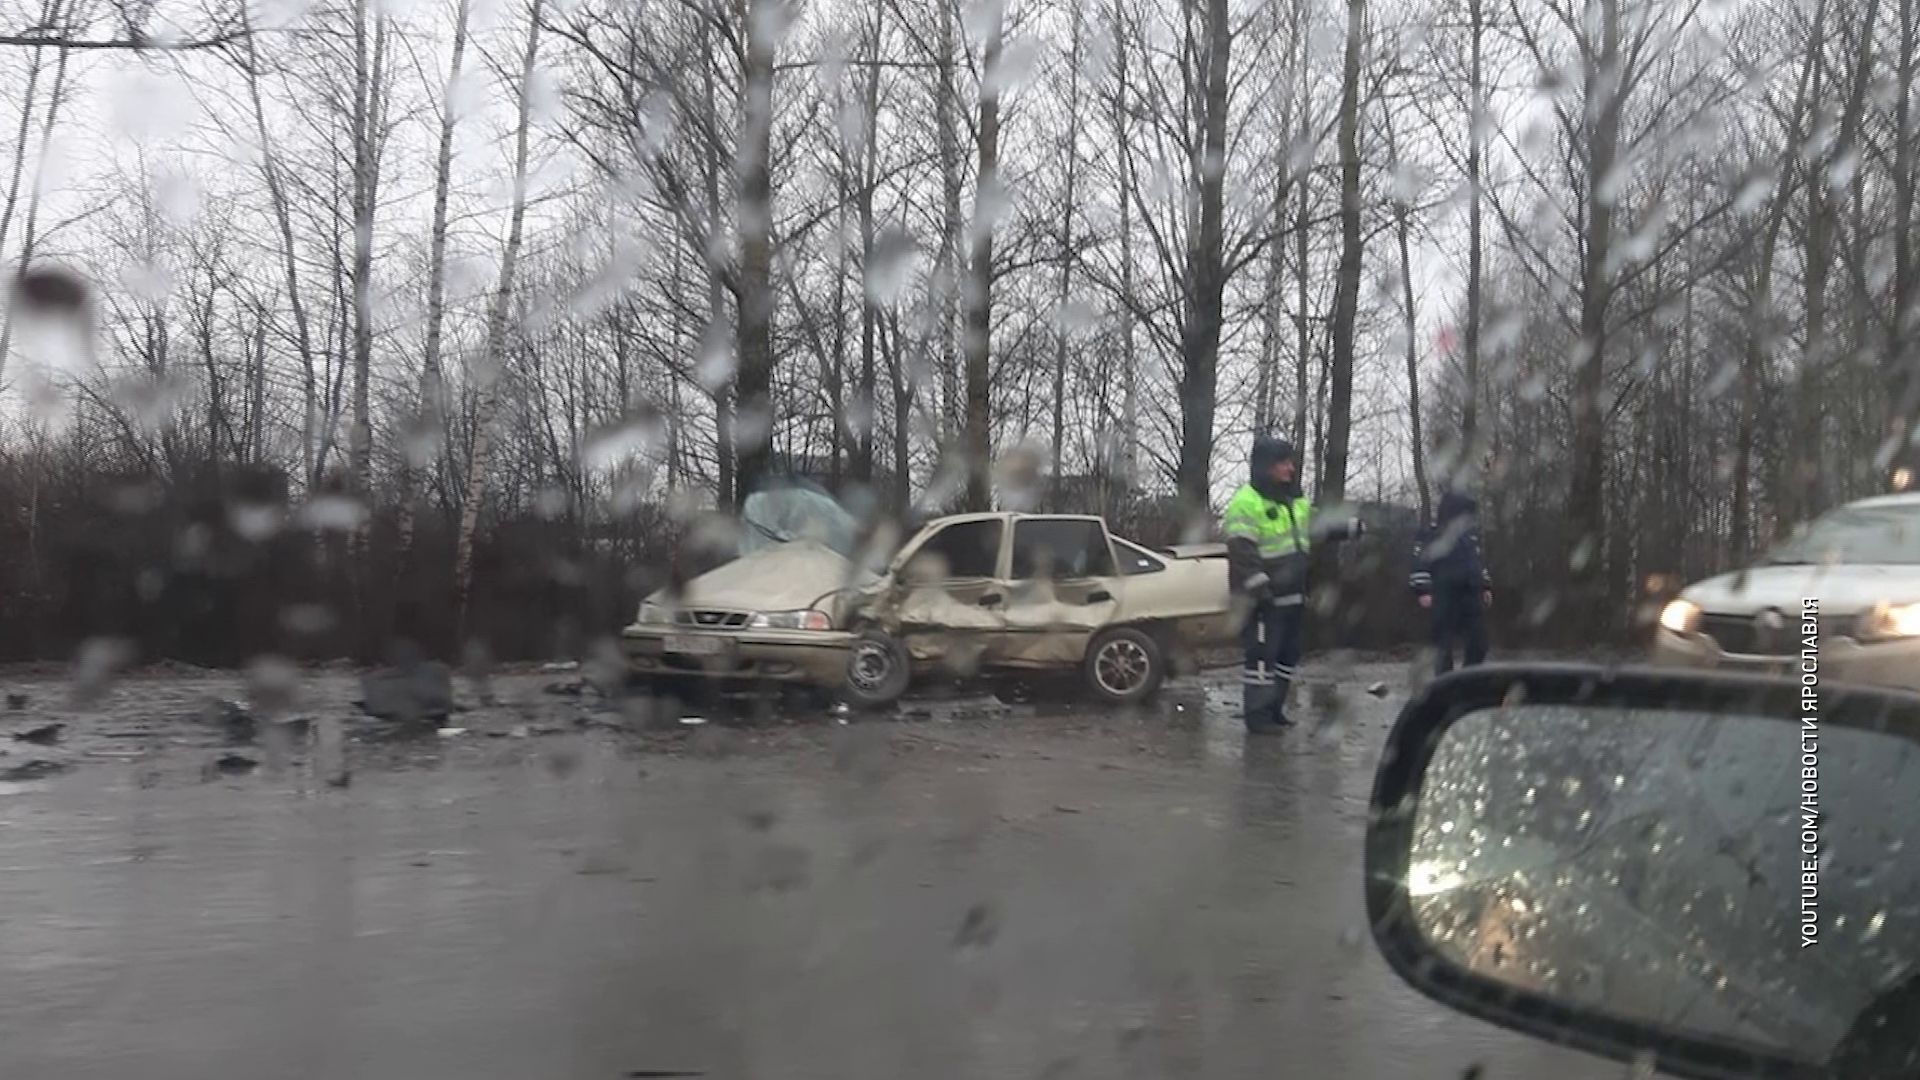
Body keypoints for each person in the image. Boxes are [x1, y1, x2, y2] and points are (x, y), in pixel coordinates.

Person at [1222, 436, 1364, 734]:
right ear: (1267, 466)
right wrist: (1260, 590)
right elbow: (1242, 553)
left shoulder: (1294, 500)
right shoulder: (1246, 502)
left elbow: (1317, 527)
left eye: (1290, 461)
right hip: (1261, 598)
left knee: (1287, 655)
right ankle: (1257, 718)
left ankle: (1274, 709)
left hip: (1292, 594)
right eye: (1283, 462)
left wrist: (1353, 528)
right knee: (1262, 659)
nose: (1291, 468)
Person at [1410, 484, 1493, 675]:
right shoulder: (1430, 535)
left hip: (1470, 593)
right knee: (1442, 646)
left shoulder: (1469, 538)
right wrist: (1423, 590)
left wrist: (1485, 586)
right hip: (1443, 594)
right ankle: (1444, 682)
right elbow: (1420, 563)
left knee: (1479, 643)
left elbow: (1477, 563)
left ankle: (1469, 678)